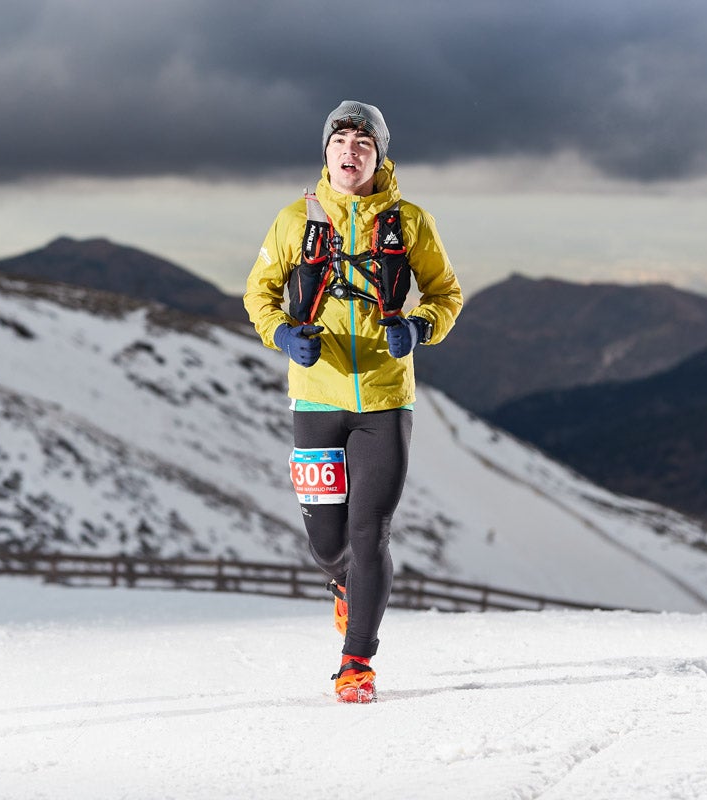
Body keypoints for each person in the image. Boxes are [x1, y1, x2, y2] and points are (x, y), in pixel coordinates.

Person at [243, 100, 463, 703]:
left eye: (363, 142)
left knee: (371, 534)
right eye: (340, 140)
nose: (350, 150)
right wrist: (283, 335)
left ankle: (356, 662)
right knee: (328, 546)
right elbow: (259, 293)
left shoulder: (410, 221)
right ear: (326, 152)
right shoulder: (294, 220)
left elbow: (446, 292)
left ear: (379, 155)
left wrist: (419, 327)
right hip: (315, 399)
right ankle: (344, 585)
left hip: (386, 401)